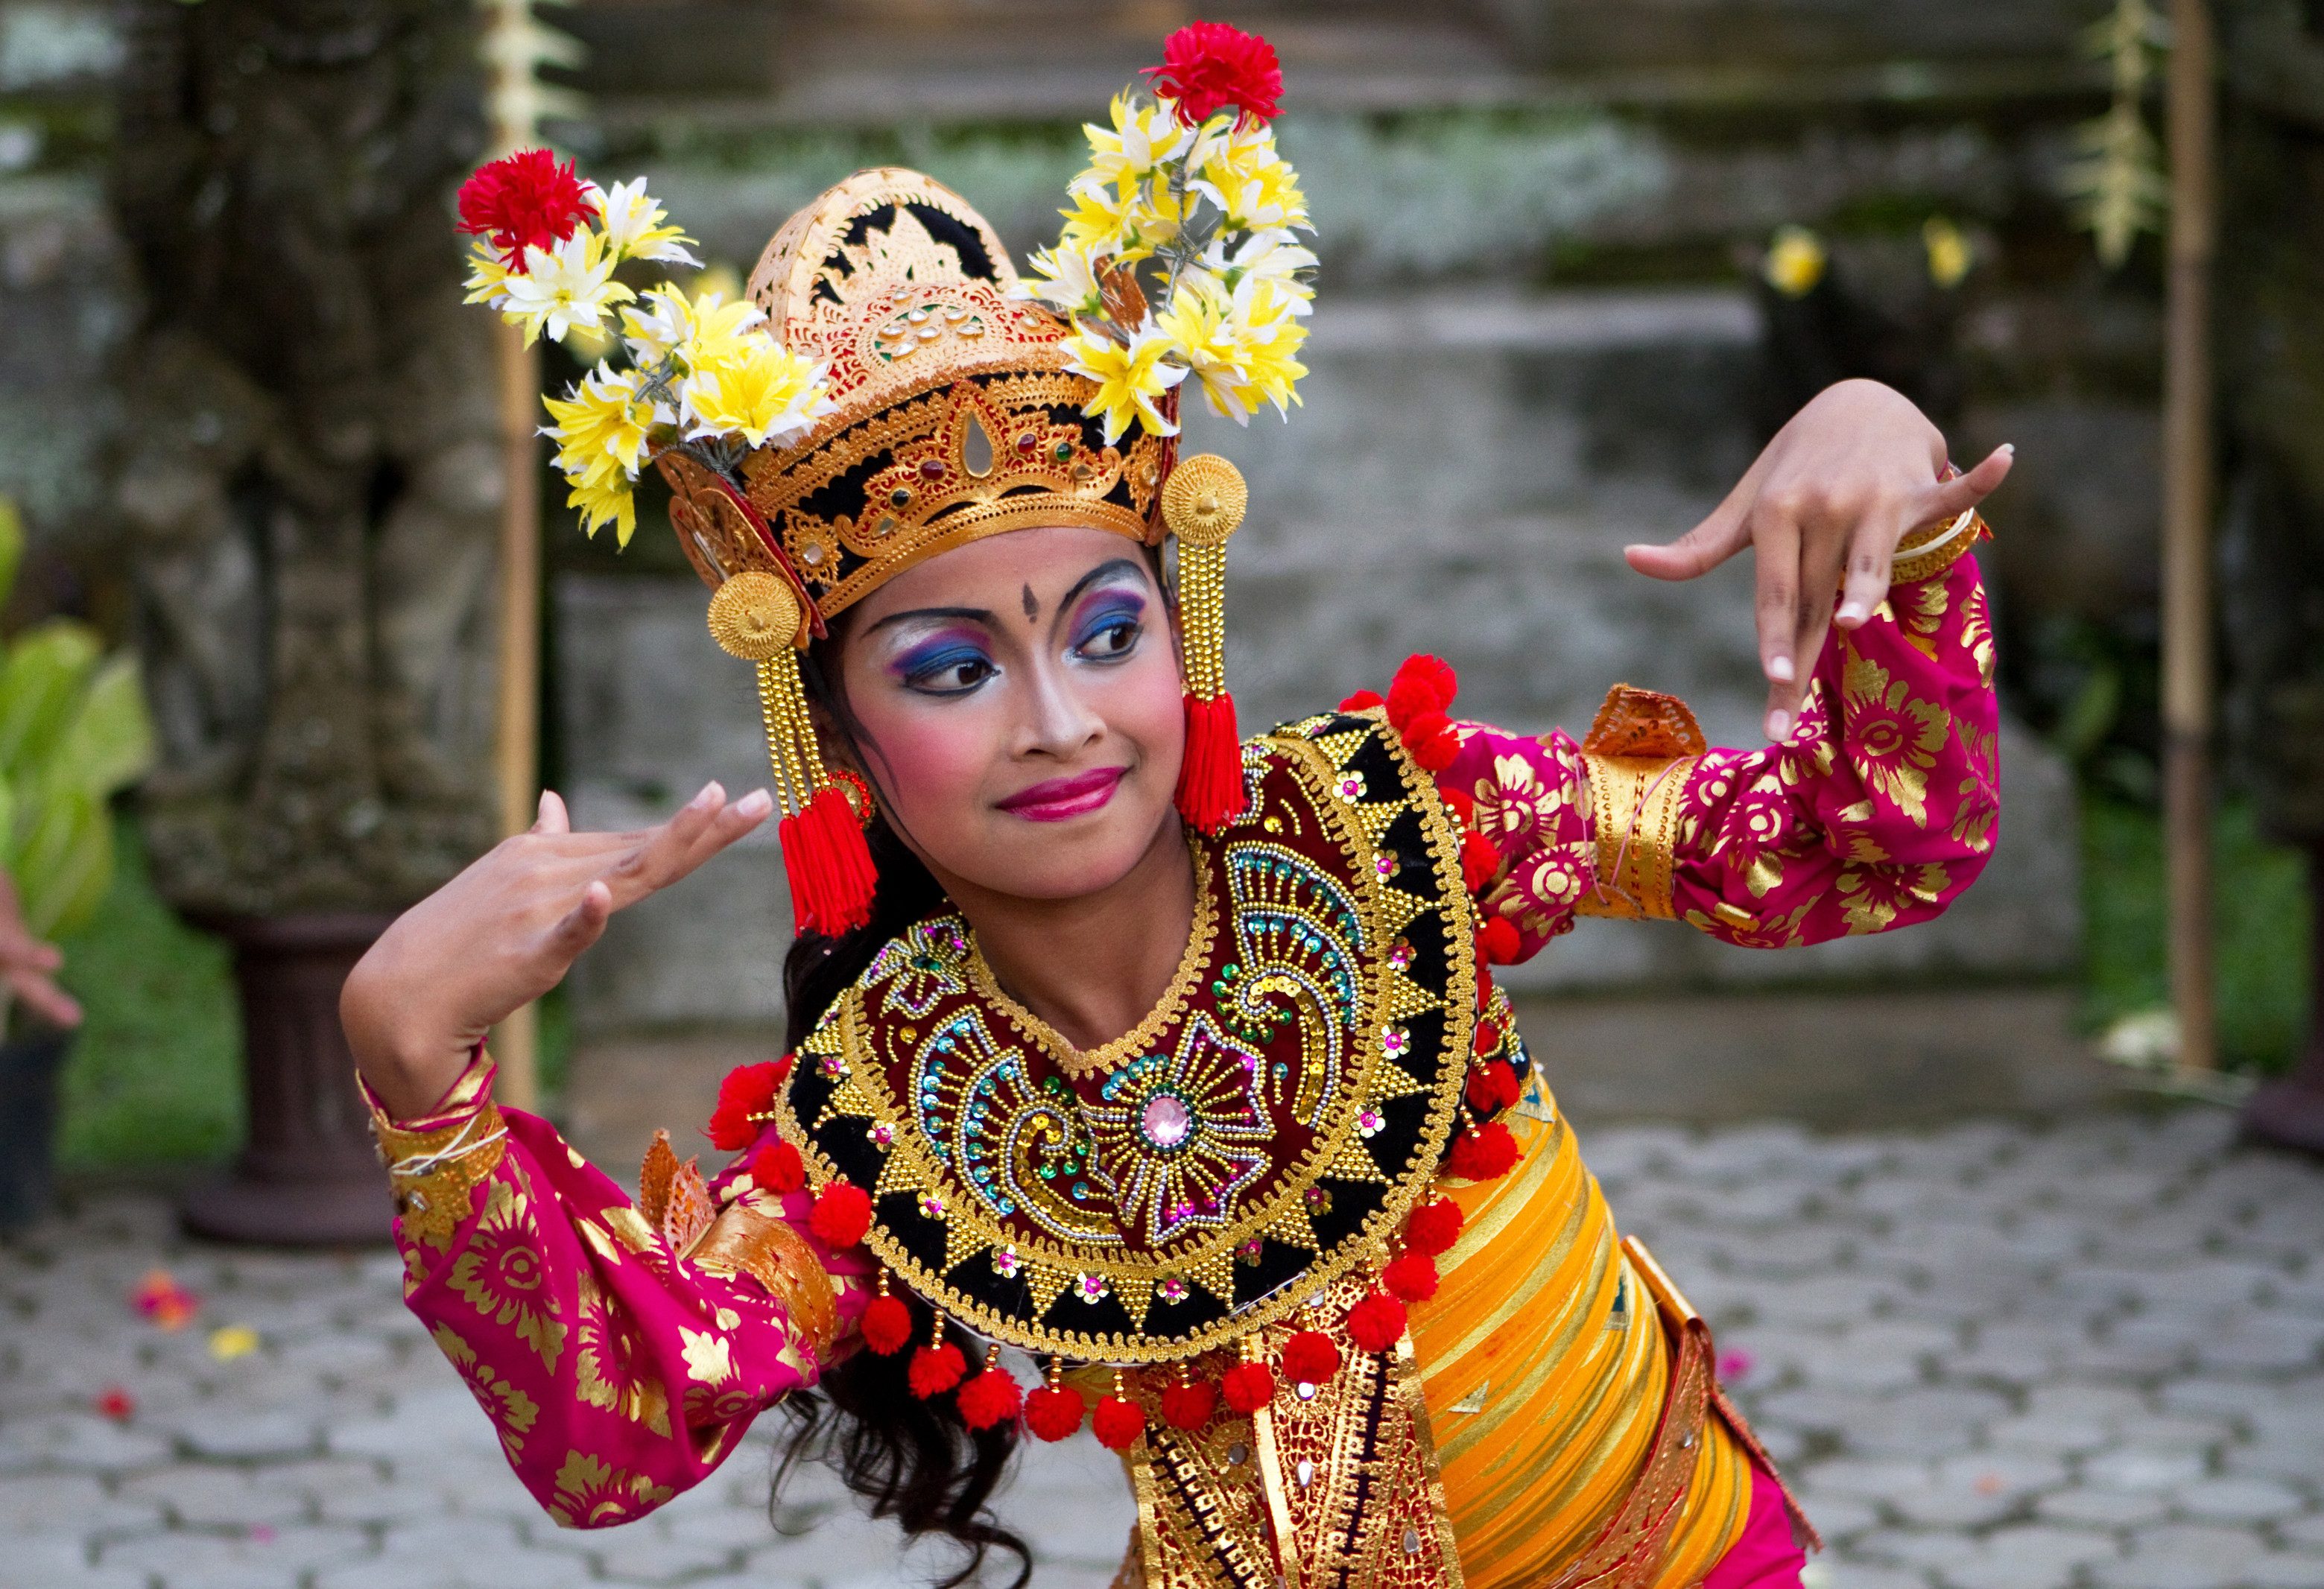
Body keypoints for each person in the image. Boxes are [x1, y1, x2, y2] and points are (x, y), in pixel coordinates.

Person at [342, 26, 2008, 1589]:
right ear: (835, 737)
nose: (1060, 720)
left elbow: (1861, 838)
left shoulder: (1389, 825)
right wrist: (415, 1063)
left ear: (1182, 628)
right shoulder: (885, 1118)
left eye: (1106, 629)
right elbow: (620, 1424)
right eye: (950, 668)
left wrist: (1886, 459)